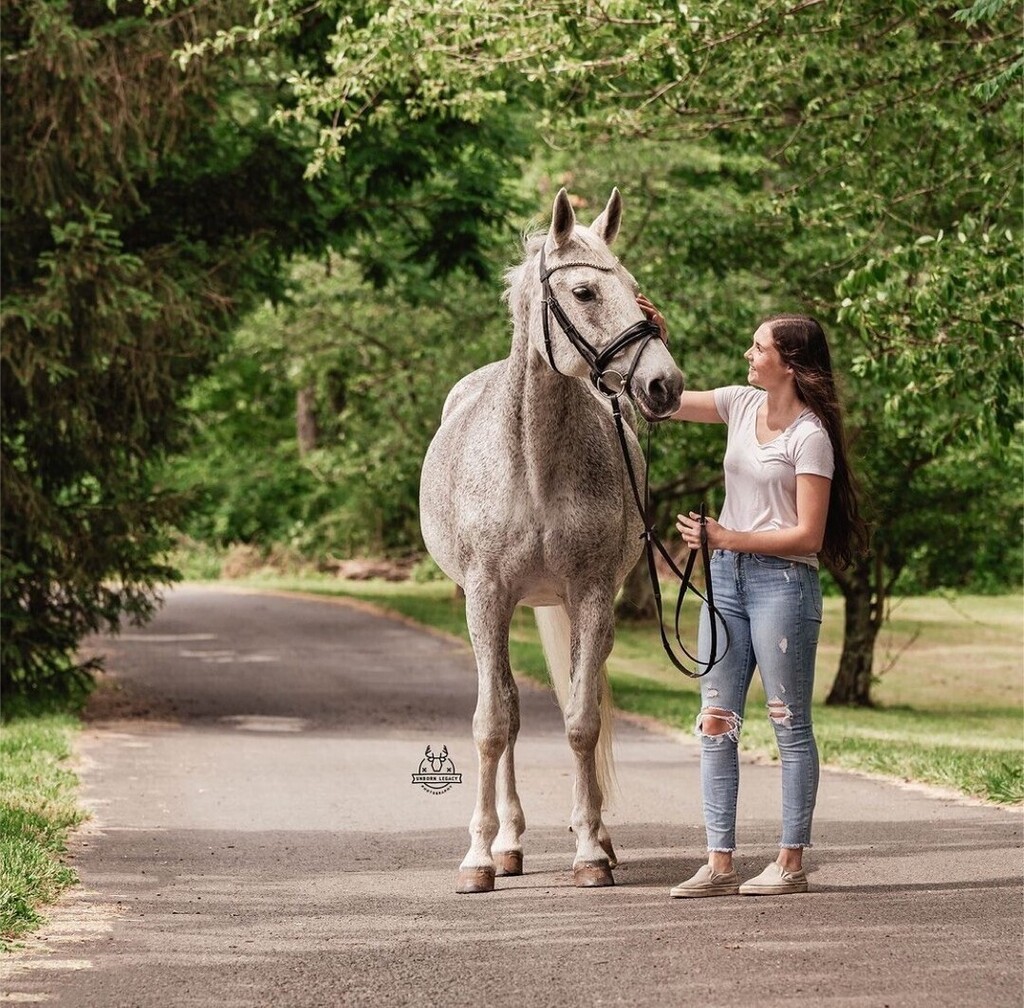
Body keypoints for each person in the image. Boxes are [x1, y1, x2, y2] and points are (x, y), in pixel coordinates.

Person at [637, 297, 867, 897]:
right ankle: (719, 863)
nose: (749, 354)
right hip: (728, 582)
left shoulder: (810, 437)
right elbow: (660, 403)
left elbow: (808, 535)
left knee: (789, 722)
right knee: (715, 722)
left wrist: (724, 536)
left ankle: (790, 864)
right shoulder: (740, 405)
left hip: (783, 586)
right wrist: (651, 335)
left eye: (759, 347)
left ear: (788, 363)